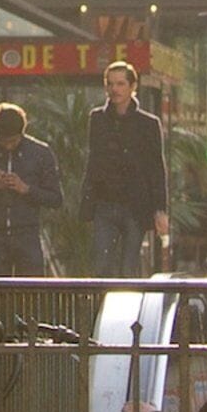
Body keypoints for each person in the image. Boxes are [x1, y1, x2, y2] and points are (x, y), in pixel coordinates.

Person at [80, 60, 170, 278]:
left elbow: (156, 167)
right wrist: (87, 202)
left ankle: (128, 312)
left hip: (135, 204)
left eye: (120, 84)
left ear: (132, 87)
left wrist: (160, 209)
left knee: (128, 268)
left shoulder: (148, 123)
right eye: (110, 84)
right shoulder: (98, 119)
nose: (115, 89)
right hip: (105, 202)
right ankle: (101, 309)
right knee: (102, 266)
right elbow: (93, 160)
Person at [0, 102, 64, 279]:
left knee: (31, 289)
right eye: (3, 141)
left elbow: (55, 198)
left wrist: (27, 189)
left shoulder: (40, 153)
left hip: (27, 233)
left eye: (13, 142)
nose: (8, 146)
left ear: (22, 134)